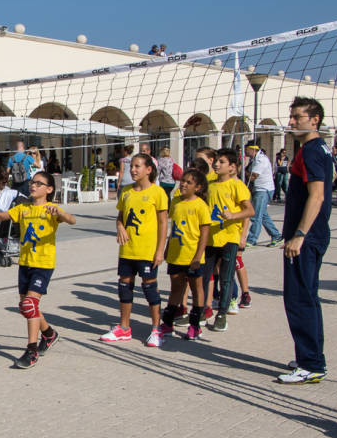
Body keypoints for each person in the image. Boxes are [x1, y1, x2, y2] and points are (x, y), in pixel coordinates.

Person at [0, 172, 76, 368]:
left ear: (49, 189)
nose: (33, 186)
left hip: (43, 264)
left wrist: (61, 214)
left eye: (39, 183)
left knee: (29, 305)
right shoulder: (23, 208)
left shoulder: (51, 209)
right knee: (27, 307)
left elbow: (72, 220)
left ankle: (32, 351)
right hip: (25, 263)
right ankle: (49, 334)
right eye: (33, 182)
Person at [278, 97, 334, 384]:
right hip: (313, 236)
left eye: (296, 117)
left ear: (314, 120)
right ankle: (310, 357)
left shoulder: (312, 150)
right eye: (291, 116)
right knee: (308, 297)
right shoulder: (316, 148)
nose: (291, 122)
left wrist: (299, 235)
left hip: (307, 238)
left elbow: (318, 195)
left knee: (299, 298)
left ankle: (311, 364)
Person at [102, 153, 169, 346]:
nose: (133, 169)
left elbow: (163, 223)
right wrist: (120, 226)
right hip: (127, 250)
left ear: (149, 169)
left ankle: (157, 330)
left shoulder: (158, 193)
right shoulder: (127, 192)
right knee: (124, 286)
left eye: (137, 166)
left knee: (150, 289)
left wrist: (160, 250)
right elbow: (121, 216)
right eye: (132, 166)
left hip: (147, 250)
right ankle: (124, 328)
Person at [204, 148, 254, 332]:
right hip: (210, 238)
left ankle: (222, 314)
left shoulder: (237, 185)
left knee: (225, 278)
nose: (217, 164)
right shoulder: (209, 184)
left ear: (232, 167)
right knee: (206, 275)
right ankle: (203, 309)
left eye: (222, 162)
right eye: (216, 161)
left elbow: (250, 211)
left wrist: (234, 217)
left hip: (229, 238)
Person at [160, 168, 210, 343]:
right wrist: (166, 248)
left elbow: (204, 234)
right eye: (183, 181)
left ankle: (195, 324)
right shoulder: (176, 202)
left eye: (189, 182)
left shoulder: (201, 206)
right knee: (176, 288)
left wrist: (198, 256)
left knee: (196, 289)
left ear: (198, 187)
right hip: (176, 254)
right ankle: (167, 323)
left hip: (192, 256)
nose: (183, 184)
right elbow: (174, 228)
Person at [244, 141, 283, 247]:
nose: (245, 151)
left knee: (256, 215)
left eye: (246, 149)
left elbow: (253, 176)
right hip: (259, 189)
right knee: (263, 215)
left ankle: (252, 239)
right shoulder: (254, 159)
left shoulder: (261, 160)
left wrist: (242, 171)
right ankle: (276, 236)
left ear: (252, 149)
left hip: (263, 189)